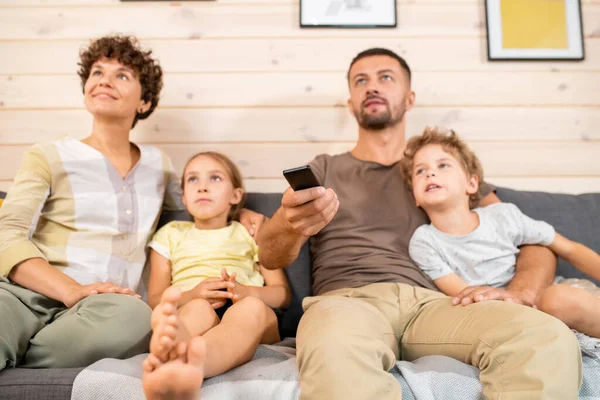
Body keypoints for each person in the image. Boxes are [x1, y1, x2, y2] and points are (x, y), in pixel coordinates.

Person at [255, 48, 582, 399]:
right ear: (351, 103)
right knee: (334, 348)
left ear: (409, 98)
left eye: (386, 77)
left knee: (544, 335)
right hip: (348, 302)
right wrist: (291, 224)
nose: (372, 87)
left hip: (435, 306)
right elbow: (270, 256)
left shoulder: (436, 171)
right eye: (360, 81)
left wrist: (520, 294)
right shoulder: (325, 169)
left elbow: (530, 240)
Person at [0, 35, 263, 371]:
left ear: (144, 102)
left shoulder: (159, 166)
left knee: (138, 318)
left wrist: (243, 212)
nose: (104, 80)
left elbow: (198, 209)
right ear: (86, 89)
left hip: (108, 310)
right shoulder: (48, 155)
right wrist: (70, 290)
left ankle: (20, 354)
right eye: (97, 72)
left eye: (122, 75)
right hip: (27, 292)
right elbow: (7, 234)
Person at [401, 127, 600, 338]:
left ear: (471, 183)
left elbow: (569, 248)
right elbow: (465, 295)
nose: (430, 173)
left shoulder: (503, 216)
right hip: (502, 313)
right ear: (415, 196)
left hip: (554, 297)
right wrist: (504, 303)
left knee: (556, 299)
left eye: (443, 165)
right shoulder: (424, 242)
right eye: (420, 171)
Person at [142, 151, 291, 400]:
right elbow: (155, 299)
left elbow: (282, 294)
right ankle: (173, 357)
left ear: (236, 195)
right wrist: (192, 294)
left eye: (215, 179)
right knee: (193, 309)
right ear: (183, 196)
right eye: (192, 180)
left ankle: (195, 365)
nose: (202, 187)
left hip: (251, 313)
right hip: (196, 308)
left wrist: (246, 292)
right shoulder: (170, 234)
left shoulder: (251, 232)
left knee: (251, 308)